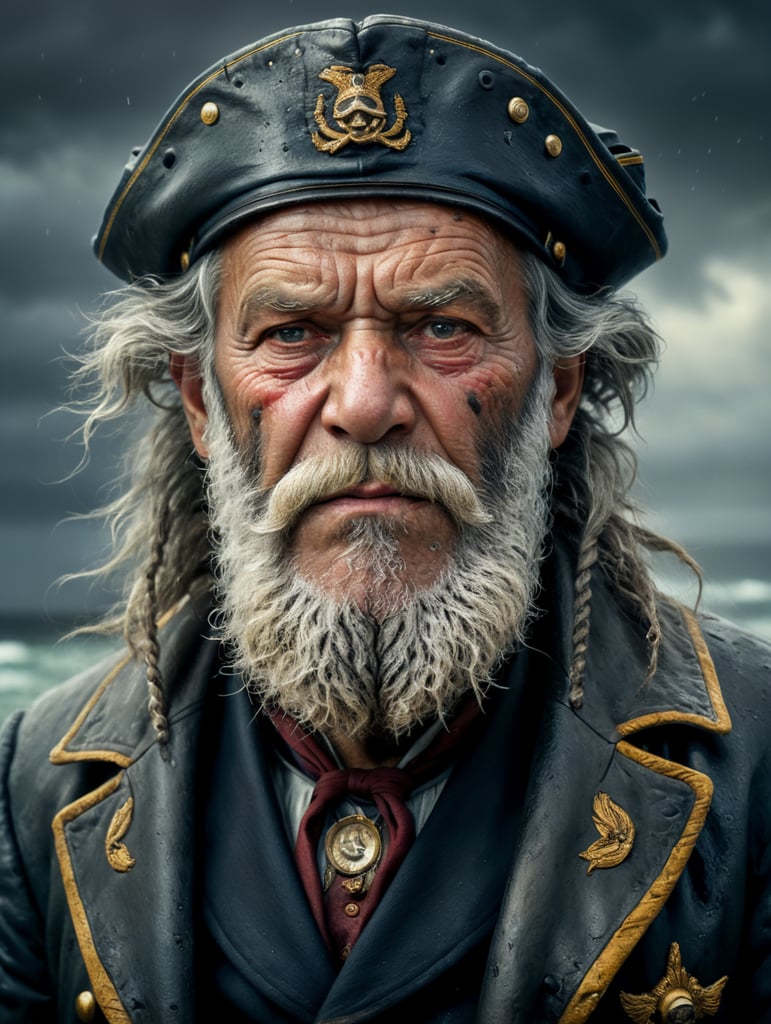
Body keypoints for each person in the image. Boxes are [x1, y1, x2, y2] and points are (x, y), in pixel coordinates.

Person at [0, 14, 769, 1023]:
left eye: (441, 327)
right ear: (199, 399)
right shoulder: (37, 792)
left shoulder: (754, 766)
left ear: (562, 388)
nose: (364, 402)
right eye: (292, 332)